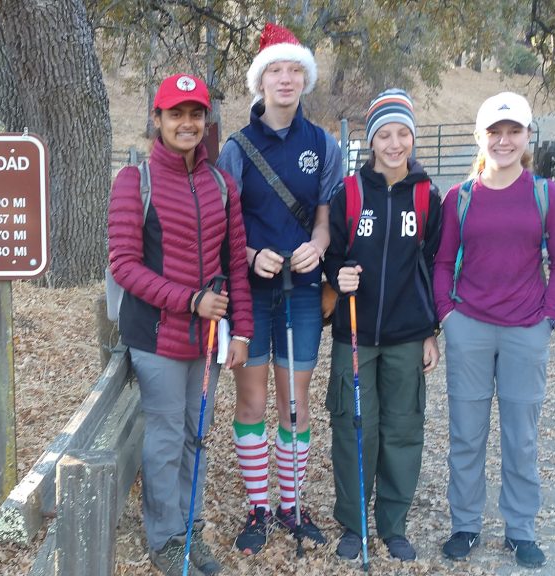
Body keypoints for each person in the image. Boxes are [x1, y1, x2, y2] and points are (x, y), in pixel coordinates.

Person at [108, 73, 253, 576]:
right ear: (158, 120)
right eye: (176, 114)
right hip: (156, 336)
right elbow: (124, 264)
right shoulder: (135, 182)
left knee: (197, 434)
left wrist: (243, 331)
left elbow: (235, 264)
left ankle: (187, 527)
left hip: (208, 340)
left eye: (195, 114)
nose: (187, 123)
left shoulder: (220, 183)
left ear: (206, 121)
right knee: (167, 436)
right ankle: (164, 538)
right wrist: (191, 301)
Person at [216, 22, 343, 555]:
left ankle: (293, 506)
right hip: (251, 293)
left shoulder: (324, 145)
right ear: (260, 81)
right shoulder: (236, 149)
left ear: (306, 79)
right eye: (276, 70)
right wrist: (248, 255)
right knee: (250, 401)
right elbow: (222, 226)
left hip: (303, 290)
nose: (286, 79)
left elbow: (325, 218)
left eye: (295, 70)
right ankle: (258, 508)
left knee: (295, 403)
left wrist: (317, 244)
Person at [433, 92, 555, 569]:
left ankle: (520, 530)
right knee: (467, 435)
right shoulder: (461, 197)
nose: (504, 140)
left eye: (514, 131)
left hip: (525, 331)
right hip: (469, 327)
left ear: (527, 137)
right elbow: (440, 262)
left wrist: (547, 319)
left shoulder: (545, 194)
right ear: (481, 137)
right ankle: (466, 524)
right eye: (495, 131)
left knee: (521, 437)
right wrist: (447, 317)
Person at [322, 89, 442, 562]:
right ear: (371, 141)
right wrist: (339, 274)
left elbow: (434, 265)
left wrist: (432, 330)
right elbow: (330, 258)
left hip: (406, 334)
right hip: (354, 331)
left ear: (412, 137)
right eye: (384, 135)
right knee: (355, 428)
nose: (394, 144)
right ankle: (353, 523)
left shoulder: (427, 195)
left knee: (403, 429)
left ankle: (393, 523)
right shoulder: (349, 194)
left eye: (402, 134)